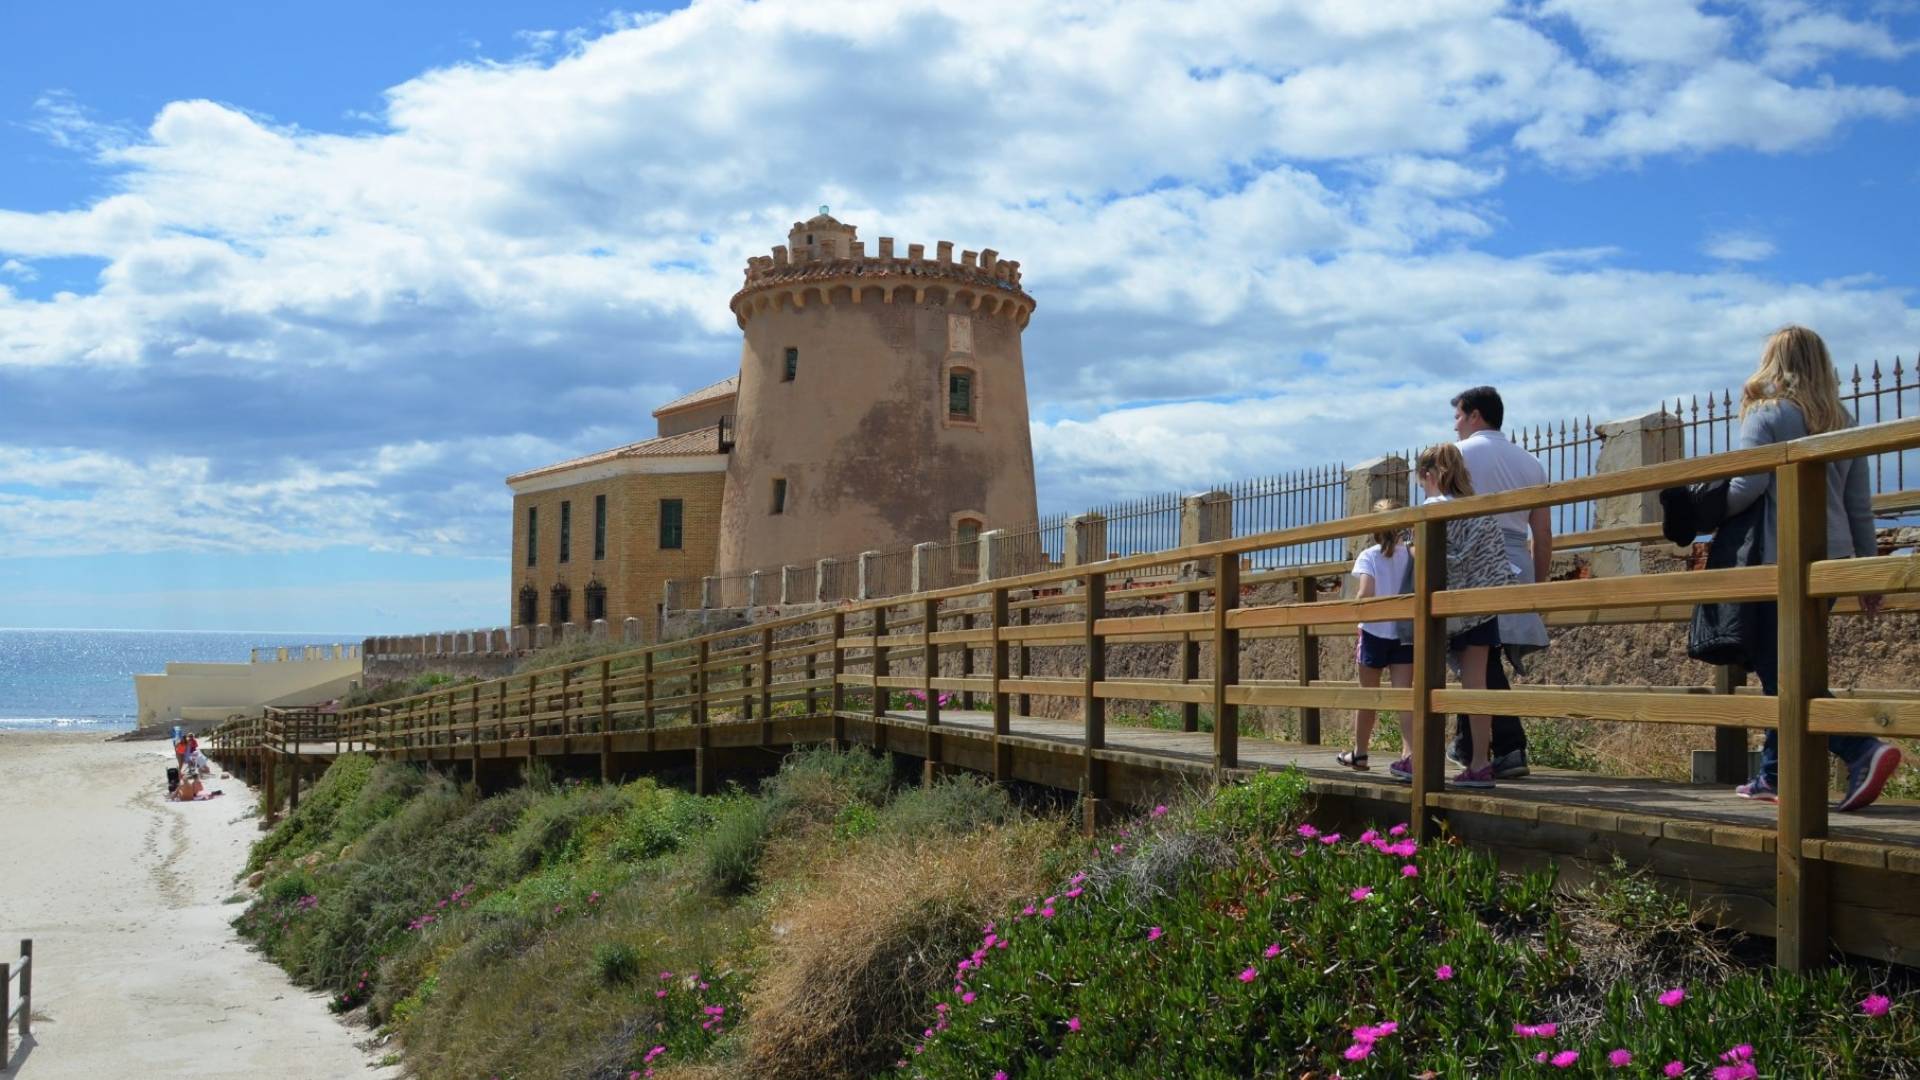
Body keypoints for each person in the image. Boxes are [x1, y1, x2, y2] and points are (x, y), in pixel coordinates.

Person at [1723, 326, 1901, 810]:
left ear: (1773, 362)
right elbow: (1858, 505)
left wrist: (1698, 500)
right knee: (1795, 663)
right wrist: (1863, 571)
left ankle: (1860, 747)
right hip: (1834, 558)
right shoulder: (1841, 419)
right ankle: (1774, 777)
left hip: (1779, 559)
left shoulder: (1766, 412)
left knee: (1779, 669)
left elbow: (1747, 487)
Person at [1449, 386, 1550, 778]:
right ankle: (1469, 744)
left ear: (1475, 416)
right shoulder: (1531, 463)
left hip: (1474, 559)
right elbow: (1542, 534)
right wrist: (1537, 588)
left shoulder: (1457, 454)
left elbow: (1445, 515)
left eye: (1458, 416)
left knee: (1475, 651)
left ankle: (1507, 745)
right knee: (1480, 655)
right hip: (1518, 560)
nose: (1455, 425)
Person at [1416, 443, 1515, 788]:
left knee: (1425, 683)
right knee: (1477, 685)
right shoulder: (1479, 508)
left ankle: (1418, 758)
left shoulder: (1432, 508)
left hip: (1446, 607)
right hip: (1482, 604)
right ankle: (1480, 762)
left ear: (1428, 476)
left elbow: (1429, 558)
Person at [1339, 499, 1413, 773]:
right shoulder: (1412, 555)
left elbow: (1365, 594)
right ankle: (1409, 756)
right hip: (1404, 633)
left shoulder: (1369, 555)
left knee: (1367, 696)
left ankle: (1360, 754)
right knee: (1405, 698)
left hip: (1373, 633)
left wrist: (1354, 607)